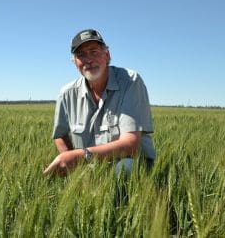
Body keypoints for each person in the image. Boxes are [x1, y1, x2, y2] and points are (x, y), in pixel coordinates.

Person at [43, 29, 155, 177]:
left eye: (94, 51)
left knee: (124, 168)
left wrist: (80, 156)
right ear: (75, 62)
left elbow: (131, 145)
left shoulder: (130, 81)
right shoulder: (67, 93)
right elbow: (60, 134)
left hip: (132, 162)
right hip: (92, 166)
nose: (88, 60)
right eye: (81, 55)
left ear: (107, 56)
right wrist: (72, 164)